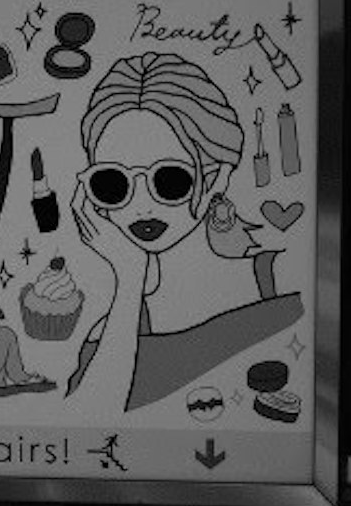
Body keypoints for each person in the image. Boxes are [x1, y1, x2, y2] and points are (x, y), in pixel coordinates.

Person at [55, 50, 303, 415]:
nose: (140, 205)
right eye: (112, 183)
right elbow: (87, 421)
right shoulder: (116, 328)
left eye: (169, 180)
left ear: (215, 178)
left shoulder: (279, 279)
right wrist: (128, 276)